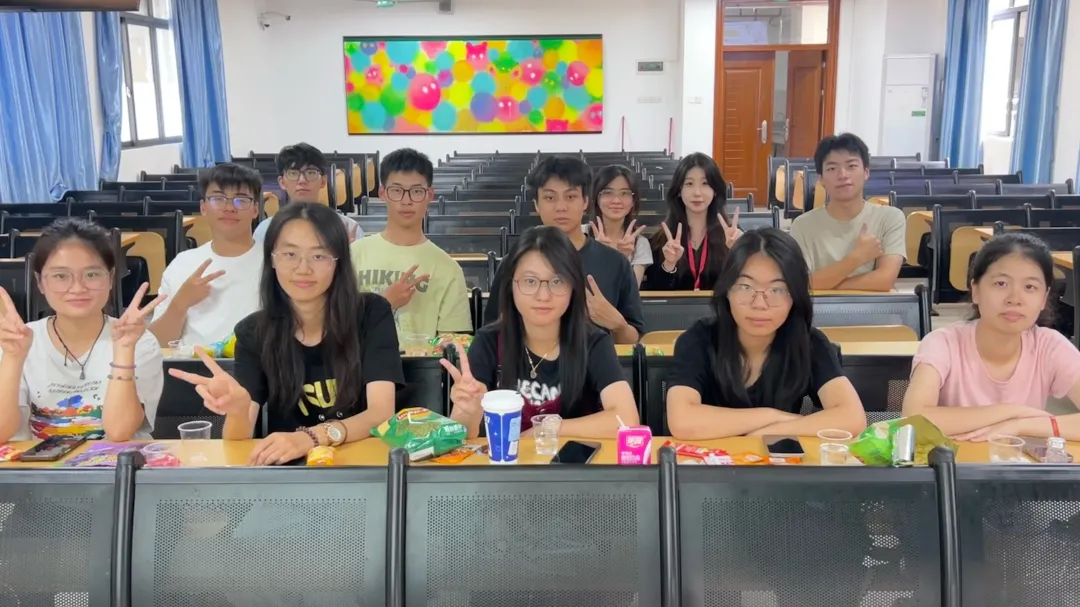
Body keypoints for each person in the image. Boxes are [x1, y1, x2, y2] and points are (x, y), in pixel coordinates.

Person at [169, 203, 404, 465]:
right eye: (290, 254)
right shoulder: (253, 332)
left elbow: (381, 414)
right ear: (272, 259)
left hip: (361, 466)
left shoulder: (371, 313)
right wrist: (236, 411)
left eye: (319, 256)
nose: (303, 268)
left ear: (338, 262)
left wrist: (310, 438)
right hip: (289, 470)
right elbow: (239, 441)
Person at [665, 228, 866, 439]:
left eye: (777, 290)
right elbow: (683, 422)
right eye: (745, 287)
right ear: (727, 291)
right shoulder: (698, 339)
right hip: (711, 458)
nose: (760, 304)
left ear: (795, 296)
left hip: (776, 458)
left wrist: (768, 431)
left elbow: (852, 418)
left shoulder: (808, 343)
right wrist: (773, 416)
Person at [444, 227, 638, 439]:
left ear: (573, 287)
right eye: (530, 281)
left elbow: (627, 419)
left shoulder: (594, 342)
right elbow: (461, 435)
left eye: (557, 281)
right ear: (510, 286)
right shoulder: (489, 341)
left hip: (573, 459)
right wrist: (468, 412)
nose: (543, 296)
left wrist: (545, 428)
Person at [902, 233, 1080, 441]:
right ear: (976, 291)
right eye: (1001, 284)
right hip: (953, 460)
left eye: (1030, 287)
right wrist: (1011, 411)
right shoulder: (943, 343)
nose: (1015, 299)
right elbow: (914, 419)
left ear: (1043, 298)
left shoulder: (1050, 346)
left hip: (1015, 460)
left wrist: (1020, 426)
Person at [0, 218, 164, 443]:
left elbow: (119, 432)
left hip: (119, 464)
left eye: (92, 274)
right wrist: (12, 358)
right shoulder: (18, 341)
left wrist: (124, 350)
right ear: (40, 282)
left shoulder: (139, 341)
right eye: (60, 276)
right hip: (40, 466)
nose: (77, 288)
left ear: (110, 279)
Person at [482, 155, 645, 344]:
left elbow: (634, 340)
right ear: (536, 204)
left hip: (595, 362)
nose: (561, 207)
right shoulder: (514, 262)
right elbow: (491, 334)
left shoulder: (616, 263)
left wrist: (618, 325)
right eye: (550, 197)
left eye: (570, 197)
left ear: (585, 201)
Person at [351, 148, 472, 338]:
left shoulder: (448, 269)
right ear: (382, 193)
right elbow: (333, 328)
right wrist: (384, 304)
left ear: (429, 195)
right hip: (360, 357)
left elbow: (451, 343)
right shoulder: (353, 255)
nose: (406, 201)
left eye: (416, 191)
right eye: (396, 190)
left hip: (423, 358)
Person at [150, 164, 263, 347]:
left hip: (258, 363)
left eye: (241, 200)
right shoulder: (183, 264)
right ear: (203, 207)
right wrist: (180, 304)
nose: (229, 207)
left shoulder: (275, 264)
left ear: (255, 209)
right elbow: (157, 344)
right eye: (218, 199)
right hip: (194, 362)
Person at [789, 133, 905, 291]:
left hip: (875, 306)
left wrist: (824, 284)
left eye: (851, 166)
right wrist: (857, 258)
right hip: (820, 307)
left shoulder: (890, 218)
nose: (842, 175)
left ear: (866, 172)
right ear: (821, 179)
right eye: (832, 168)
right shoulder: (802, 226)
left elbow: (885, 280)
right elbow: (803, 283)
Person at [641, 152, 742, 291]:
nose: (697, 193)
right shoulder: (661, 240)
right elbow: (654, 296)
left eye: (705, 183)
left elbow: (743, 288)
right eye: (689, 183)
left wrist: (738, 253)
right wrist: (668, 265)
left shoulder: (733, 236)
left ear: (715, 190)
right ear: (678, 190)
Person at [253, 143, 362, 243]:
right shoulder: (266, 230)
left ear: (323, 181)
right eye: (293, 173)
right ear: (282, 182)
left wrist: (347, 254)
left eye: (310, 173)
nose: (302, 180)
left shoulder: (348, 228)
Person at [586, 165, 651, 285]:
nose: (616, 200)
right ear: (597, 198)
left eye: (624, 193)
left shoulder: (639, 244)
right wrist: (596, 256)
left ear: (633, 201)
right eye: (608, 193)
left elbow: (631, 291)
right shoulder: (580, 234)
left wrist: (621, 258)